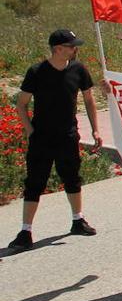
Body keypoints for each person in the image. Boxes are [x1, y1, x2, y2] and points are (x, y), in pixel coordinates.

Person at [8, 29, 101, 252]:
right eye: (71, 46)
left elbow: (89, 100)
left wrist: (96, 130)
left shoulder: (78, 69)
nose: (75, 49)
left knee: (72, 177)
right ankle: (25, 231)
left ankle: (78, 220)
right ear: (58, 49)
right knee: (35, 182)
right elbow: (21, 103)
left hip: (68, 134)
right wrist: (30, 130)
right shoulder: (37, 71)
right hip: (42, 137)